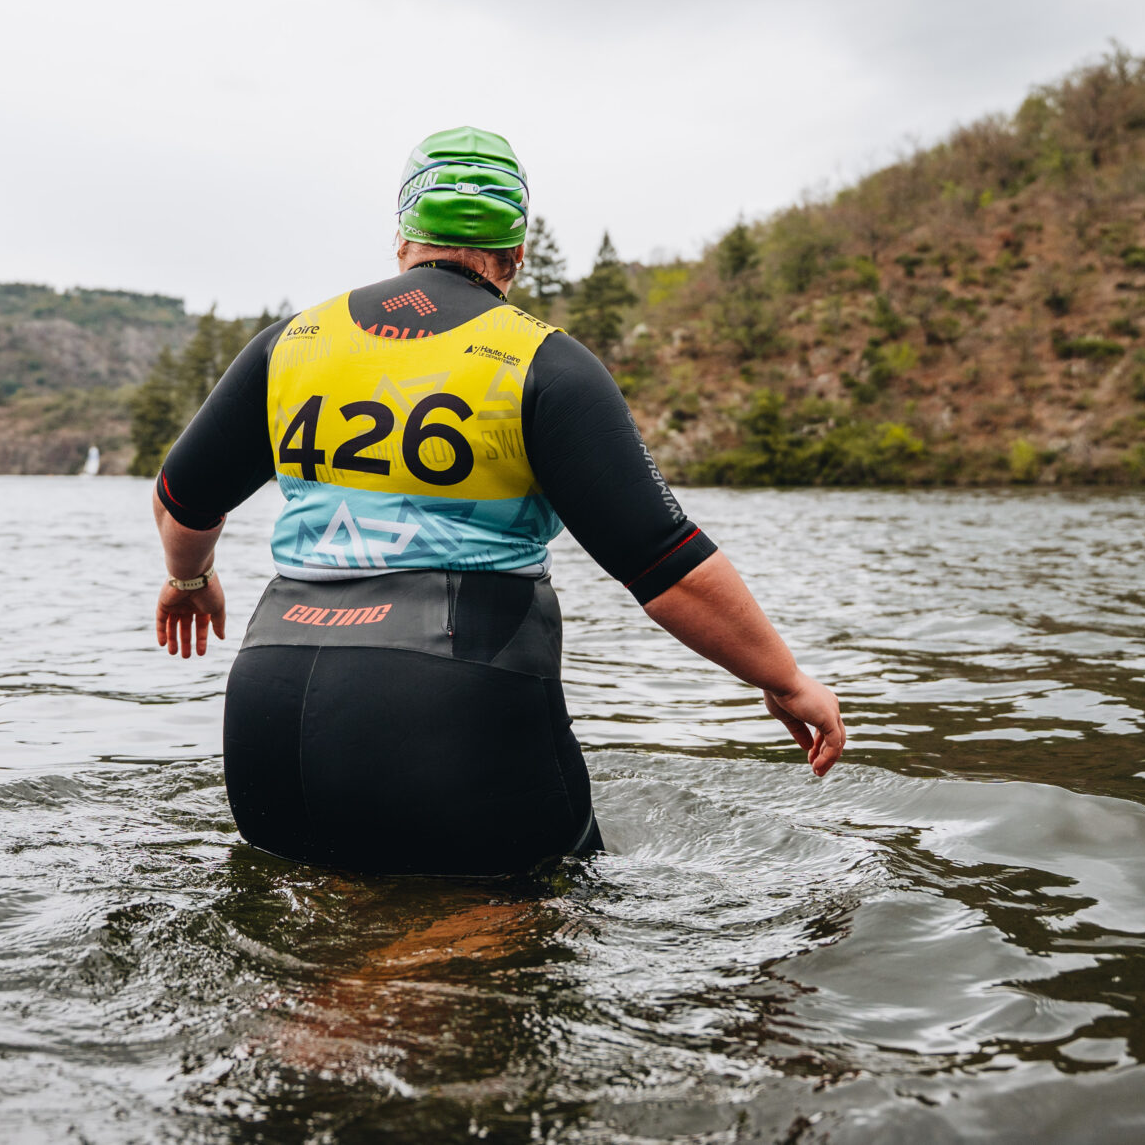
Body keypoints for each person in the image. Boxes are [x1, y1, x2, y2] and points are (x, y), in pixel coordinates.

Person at [148, 126, 844, 877]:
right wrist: (785, 679)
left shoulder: (293, 342)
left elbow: (181, 501)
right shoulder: (542, 362)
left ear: (403, 237)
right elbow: (667, 568)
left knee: (310, 920)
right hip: (450, 703)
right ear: (515, 256)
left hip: (269, 701)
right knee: (544, 923)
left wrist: (191, 579)